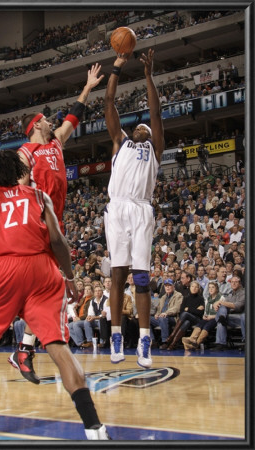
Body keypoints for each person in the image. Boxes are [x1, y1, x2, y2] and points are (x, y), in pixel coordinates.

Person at [0, 151, 110, 441]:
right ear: (17, 170)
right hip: (42, 268)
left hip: (4, 268)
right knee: (58, 345)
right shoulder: (38, 196)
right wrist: (69, 276)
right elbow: (57, 241)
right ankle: (95, 429)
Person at [10, 63, 104, 382]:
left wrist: (88, 86)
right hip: (36, 225)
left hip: (54, 223)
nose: (54, 122)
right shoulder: (25, 153)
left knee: (53, 290)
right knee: (50, 288)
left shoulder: (56, 143)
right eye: (48, 120)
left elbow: (75, 115)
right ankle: (24, 347)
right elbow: (18, 189)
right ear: (37, 125)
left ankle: (24, 348)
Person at [104, 48, 165, 367]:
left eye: (148, 129)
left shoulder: (154, 149)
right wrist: (117, 67)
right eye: (140, 127)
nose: (144, 127)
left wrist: (148, 76)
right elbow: (109, 103)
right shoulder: (121, 141)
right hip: (117, 209)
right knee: (117, 275)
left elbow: (156, 114)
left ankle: (144, 340)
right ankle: (116, 335)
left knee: (141, 278)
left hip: (142, 210)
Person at [182, 281, 223, 350]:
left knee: (206, 326)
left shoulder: (221, 298)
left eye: (213, 287)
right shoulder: (207, 299)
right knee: (200, 324)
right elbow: (205, 312)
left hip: (216, 318)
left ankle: (196, 344)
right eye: (209, 287)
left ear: (217, 289)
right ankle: (192, 339)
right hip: (207, 317)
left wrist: (212, 317)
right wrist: (204, 316)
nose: (211, 289)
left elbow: (222, 313)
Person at [165, 280, 205, 350]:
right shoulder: (186, 298)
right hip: (187, 319)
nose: (194, 288)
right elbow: (181, 310)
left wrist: (189, 309)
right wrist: (195, 309)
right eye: (192, 286)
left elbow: (200, 313)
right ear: (190, 287)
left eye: (196, 287)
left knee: (186, 314)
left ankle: (171, 336)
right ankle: (173, 343)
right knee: (186, 322)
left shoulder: (201, 299)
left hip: (196, 319)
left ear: (198, 289)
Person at [211, 276, 245, 351]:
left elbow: (238, 306)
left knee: (223, 310)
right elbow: (223, 304)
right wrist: (216, 304)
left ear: (239, 283)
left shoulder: (244, 293)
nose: (234, 283)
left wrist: (220, 302)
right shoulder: (230, 294)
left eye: (236, 282)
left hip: (241, 319)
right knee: (221, 316)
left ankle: (245, 341)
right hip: (231, 318)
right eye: (232, 282)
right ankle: (221, 344)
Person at [150, 279, 183, 349]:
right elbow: (159, 309)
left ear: (173, 286)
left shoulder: (178, 295)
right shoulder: (163, 297)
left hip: (172, 318)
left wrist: (166, 313)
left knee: (163, 318)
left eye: (169, 286)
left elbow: (177, 308)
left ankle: (165, 342)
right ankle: (153, 341)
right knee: (147, 319)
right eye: (166, 286)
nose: (167, 287)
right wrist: (157, 314)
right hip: (161, 317)